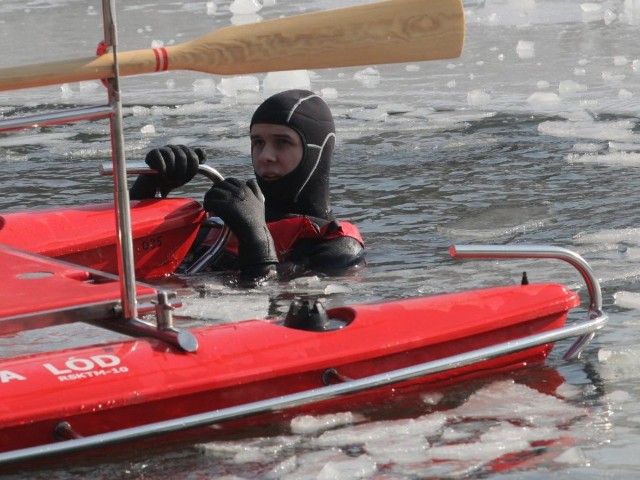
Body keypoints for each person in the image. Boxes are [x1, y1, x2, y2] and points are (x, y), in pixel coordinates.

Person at [130, 89, 365, 286]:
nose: (265, 156)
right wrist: (150, 193)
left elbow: (273, 308)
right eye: (258, 142)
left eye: (282, 142)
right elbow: (132, 262)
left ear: (317, 152)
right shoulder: (222, 221)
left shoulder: (337, 248)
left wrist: (255, 238)